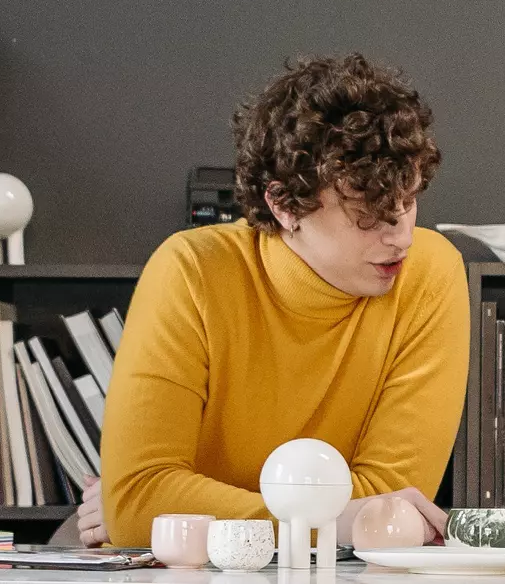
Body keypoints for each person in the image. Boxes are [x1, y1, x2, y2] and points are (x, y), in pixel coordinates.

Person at [77, 54, 471, 547]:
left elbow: (389, 505)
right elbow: (139, 501)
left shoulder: (431, 273)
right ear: (284, 204)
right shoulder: (192, 271)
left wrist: (187, 511)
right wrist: (336, 520)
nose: (402, 238)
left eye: (409, 201)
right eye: (369, 216)